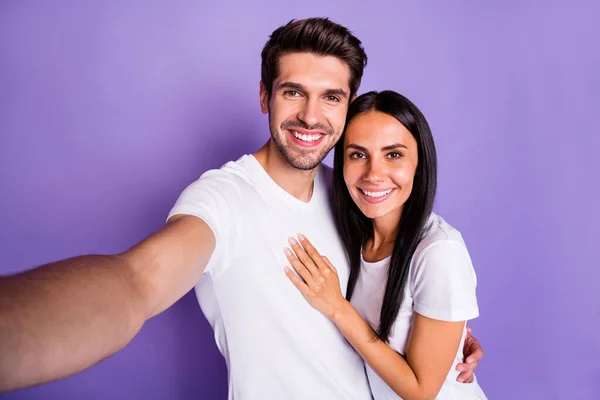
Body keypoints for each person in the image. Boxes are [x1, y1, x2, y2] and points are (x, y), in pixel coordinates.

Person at [0, 18, 482, 398]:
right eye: (293, 92)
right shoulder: (223, 200)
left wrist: (446, 327)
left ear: (349, 106)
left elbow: (414, 268)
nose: (311, 116)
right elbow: (135, 282)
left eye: (330, 97)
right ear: (264, 96)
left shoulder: (354, 193)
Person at [284, 90, 487, 399]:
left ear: (420, 162)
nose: (374, 174)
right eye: (358, 154)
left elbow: (421, 392)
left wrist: (338, 307)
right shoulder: (355, 236)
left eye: (393, 154)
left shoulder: (438, 252)